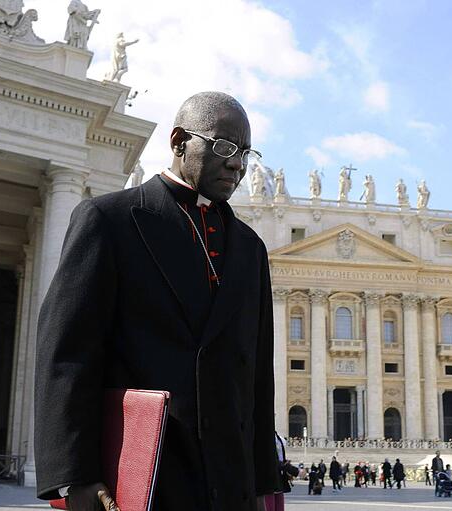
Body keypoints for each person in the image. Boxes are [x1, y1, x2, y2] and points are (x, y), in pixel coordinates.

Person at [34, 91, 277, 510]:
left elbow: (256, 379)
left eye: (245, 152)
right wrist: (74, 476)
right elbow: (68, 353)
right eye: (223, 147)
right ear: (180, 141)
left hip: (229, 482)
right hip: (146, 473)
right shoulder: (110, 219)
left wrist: (261, 483)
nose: (237, 163)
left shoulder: (251, 249)